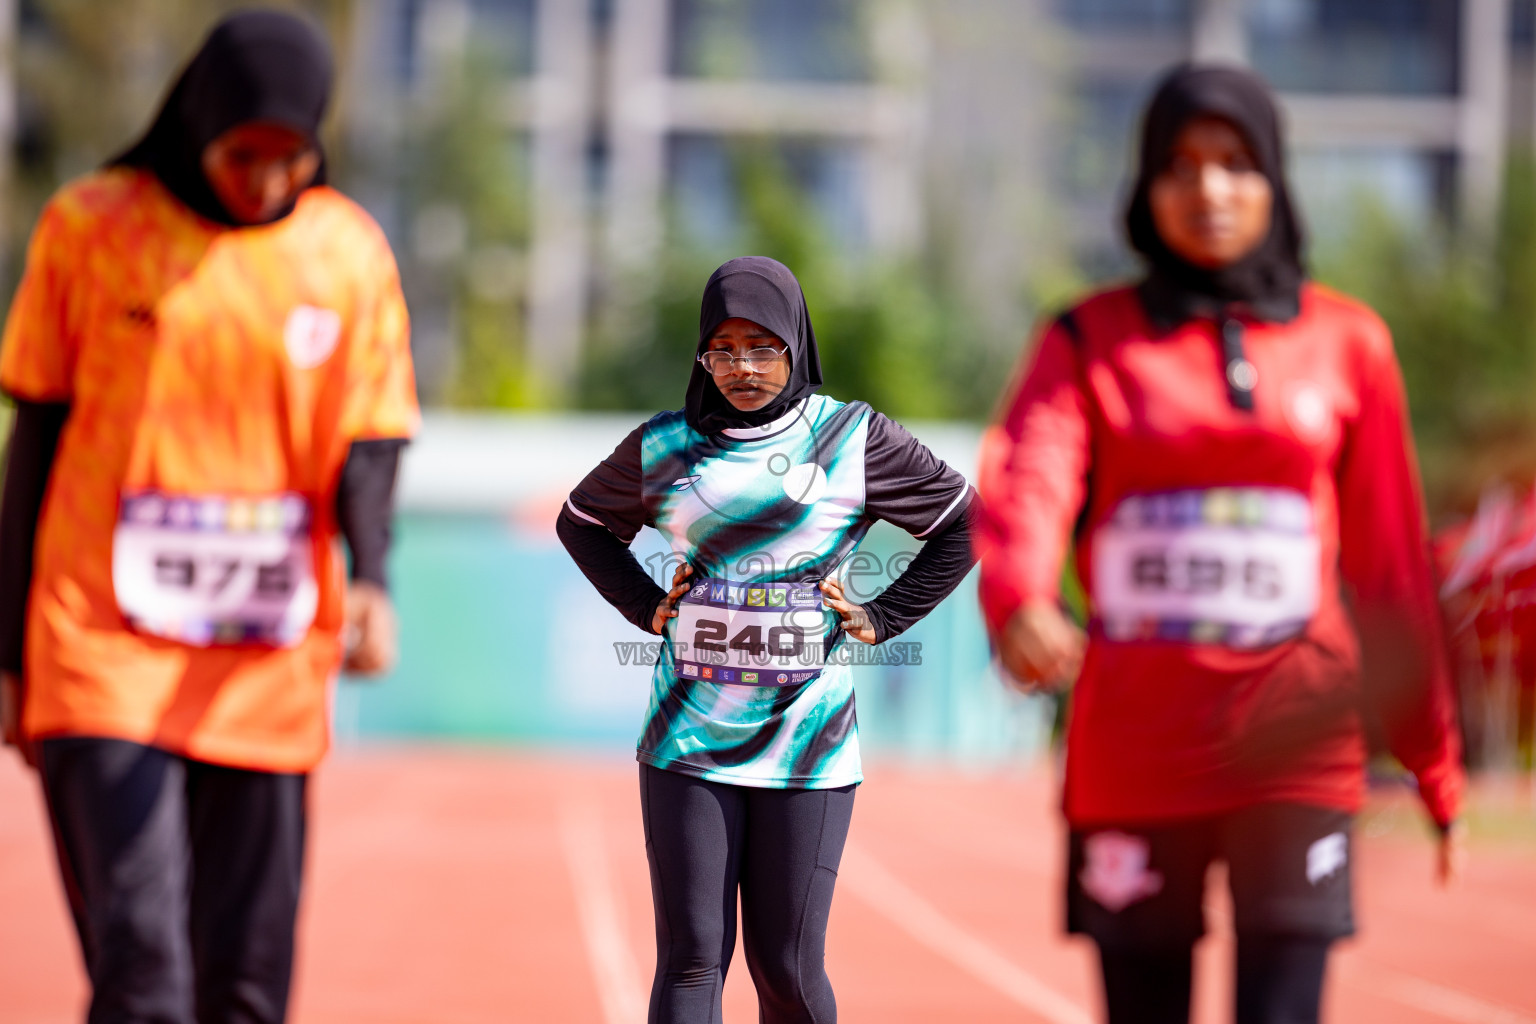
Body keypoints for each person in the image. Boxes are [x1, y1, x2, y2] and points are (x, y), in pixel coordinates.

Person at [975, 64, 1465, 1024]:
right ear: (1144, 186)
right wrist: (1022, 598)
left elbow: (1392, 565)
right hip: (1138, 750)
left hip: (1298, 746)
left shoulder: (1350, 343)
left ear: (1275, 180)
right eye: (1180, 166)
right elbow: (1031, 478)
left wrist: (1433, 755)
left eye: (1237, 164)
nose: (1208, 190)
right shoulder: (1086, 340)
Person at [0, 11, 417, 1023]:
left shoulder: (346, 253)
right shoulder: (93, 227)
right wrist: (10, 655)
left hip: (264, 661)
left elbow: (369, 437)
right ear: (198, 125)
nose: (267, 181)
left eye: (292, 158)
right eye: (245, 155)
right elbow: (37, 438)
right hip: (99, 641)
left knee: (246, 988)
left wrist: (370, 580)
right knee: (145, 976)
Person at [558, 256, 975, 1023]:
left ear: (796, 344)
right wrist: (646, 605)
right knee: (692, 960)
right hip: (689, 735)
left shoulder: (853, 438)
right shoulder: (666, 448)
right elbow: (581, 523)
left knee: (784, 965)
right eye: (721, 349)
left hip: (808, 744)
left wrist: (884, 615)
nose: (741, 368)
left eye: (762, 347)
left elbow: (966, 524)